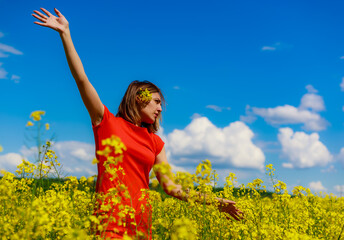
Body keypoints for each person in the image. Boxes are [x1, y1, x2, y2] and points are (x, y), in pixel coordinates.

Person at [32, 8, 243, 239]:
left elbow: (172, 188)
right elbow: (81, 79)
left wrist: (215, 201)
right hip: (108, 227)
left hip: (142, 228)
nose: (160, 108)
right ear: (137, 99)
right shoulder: (106, 123)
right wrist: (65, 33)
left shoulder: (156, 143)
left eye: (161, 104)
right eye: (155, 102)